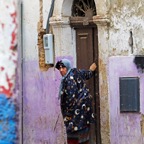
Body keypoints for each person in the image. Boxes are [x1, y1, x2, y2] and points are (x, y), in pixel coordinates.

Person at [55, 58, 97, 144]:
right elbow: (87, 74)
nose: (61, 70)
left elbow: (71, 99)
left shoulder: (68, 80)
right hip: (84, 112)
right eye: (59, 68)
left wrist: (68, 116)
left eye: (63, 67)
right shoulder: (75, 72)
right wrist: (91, 70)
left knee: (73, 138)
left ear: (67, 67)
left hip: (75, 115)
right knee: (83, 137)